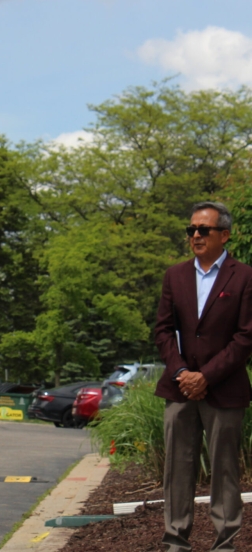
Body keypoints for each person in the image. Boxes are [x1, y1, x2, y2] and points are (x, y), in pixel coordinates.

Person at [154, 201, 252, 552]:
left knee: (224, 469)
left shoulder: (245, 276)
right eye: (191, 229)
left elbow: (246, 336)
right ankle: (176, 541)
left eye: (203, 229)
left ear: (224, 235)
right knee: (177, 469)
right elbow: (164, 330)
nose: (195, 235)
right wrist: (182, 372)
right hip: (179, 389)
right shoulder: (175, 275)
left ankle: (225, 543)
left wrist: (206, 376)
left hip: (224, 390)